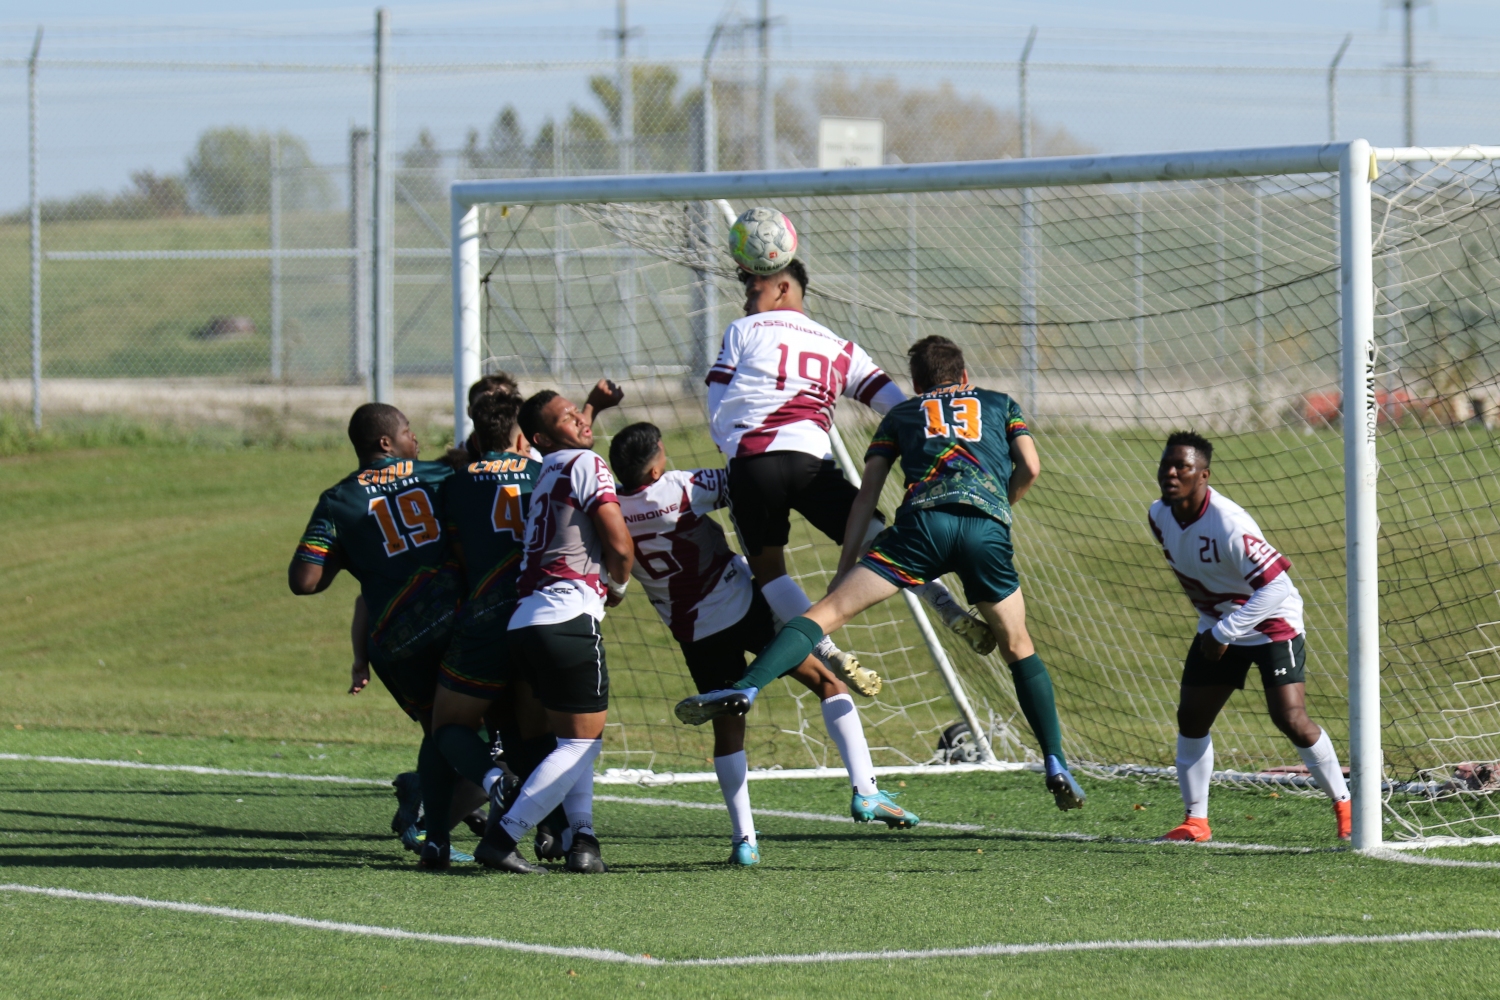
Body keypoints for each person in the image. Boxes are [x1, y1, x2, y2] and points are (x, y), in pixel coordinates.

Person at [680, 336, 1087, 812]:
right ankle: (1056, 761)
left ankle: (746, 687)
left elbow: (866, 498)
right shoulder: (1000, 403)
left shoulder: (902, 415)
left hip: (921, 530)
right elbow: (1031, 467)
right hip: (985, 531)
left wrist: (844, 566)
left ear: (915, 384)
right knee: (1018, 646)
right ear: (964, 376)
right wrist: (998, 508)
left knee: (824, 615)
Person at [610, 423, 918, 864]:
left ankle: (745, 842)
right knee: (829, 682)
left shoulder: (612, 509)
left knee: (729, 728)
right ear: (657, 460)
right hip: (743, 605)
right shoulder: (679, 488)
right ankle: (866, 791)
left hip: (693, 631)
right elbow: (742, 481)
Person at [707, 257, 995, 696]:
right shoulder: (840, 347)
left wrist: (728, 442)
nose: (748, 300)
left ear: (783, 288)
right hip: (810, 463)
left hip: (753, 463)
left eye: (753, 290)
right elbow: (899, 407)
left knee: (770, 575)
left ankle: (829, 653)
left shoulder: (743, 330)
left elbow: (717, 396)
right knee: (880, 541)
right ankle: (946, 605)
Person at [288, 403, 486, 848]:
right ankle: (435, 826)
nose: (415, 440)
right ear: (385, 442)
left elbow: (305, 581)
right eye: (408, 432)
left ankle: (431, 802)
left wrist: (350, 554)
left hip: (395, 641)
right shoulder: (436, 477)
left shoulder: (337, 500)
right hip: (452, 626)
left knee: (440, 730)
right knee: (491, 731)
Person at [1149, 431, 1352, 842]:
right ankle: (1196, 821)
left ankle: (1346, 807)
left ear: (1203, 475)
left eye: (1182, 467)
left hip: (1271, 622)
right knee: (1191, 717)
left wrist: (1226, 629)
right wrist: (1217, 625)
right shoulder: (1158, 515)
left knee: (1290, 719)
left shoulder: (1228, 524)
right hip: (1220, 626)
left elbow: (1277, 586)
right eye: (1166, 465)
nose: (1171, 473)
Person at [473, 390, 634, 874]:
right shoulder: (585, 463)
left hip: (525, 621)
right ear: (540, 436)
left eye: (577, 414)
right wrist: (618, 586)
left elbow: (567, 427)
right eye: (568, 418)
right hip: (567, 616)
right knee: (582, 744)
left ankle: (581, 840)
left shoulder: (547, 471)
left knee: (574, 739)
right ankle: (505, 836)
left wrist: (589, 408)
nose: (580, 422)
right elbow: (619, 543)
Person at [412, 390, 557, 869]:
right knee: (536, 735)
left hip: (483, 621)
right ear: (521, 437)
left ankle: (437, 839)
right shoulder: (545, 475)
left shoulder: (453, 483)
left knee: (448, 726)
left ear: (476, 436)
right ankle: (547, 834)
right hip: (540, 618)